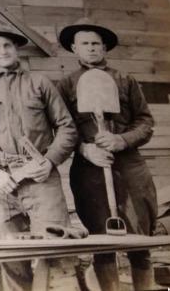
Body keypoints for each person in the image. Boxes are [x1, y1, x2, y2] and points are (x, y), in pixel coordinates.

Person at [0, 16, 78, 290]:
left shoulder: (40, 83)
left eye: (8, 45)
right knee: (11, 258)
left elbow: (67, 128)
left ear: (16, 49)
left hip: (41, 178)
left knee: (58, 251)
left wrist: (50, 161)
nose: (3, 51)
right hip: (1, 183)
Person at [57, 18, 157, 291]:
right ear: (74, 49)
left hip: (130, 167)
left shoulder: (125, 80)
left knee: (141, 242)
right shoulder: (65, 85)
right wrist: (85, 148)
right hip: (90, 170)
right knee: (102, 243)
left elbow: (146, 122)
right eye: (84, 44)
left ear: (104, 48)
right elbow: (62, 127)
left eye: (95, 44)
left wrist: (121, 140)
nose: (90, 48)